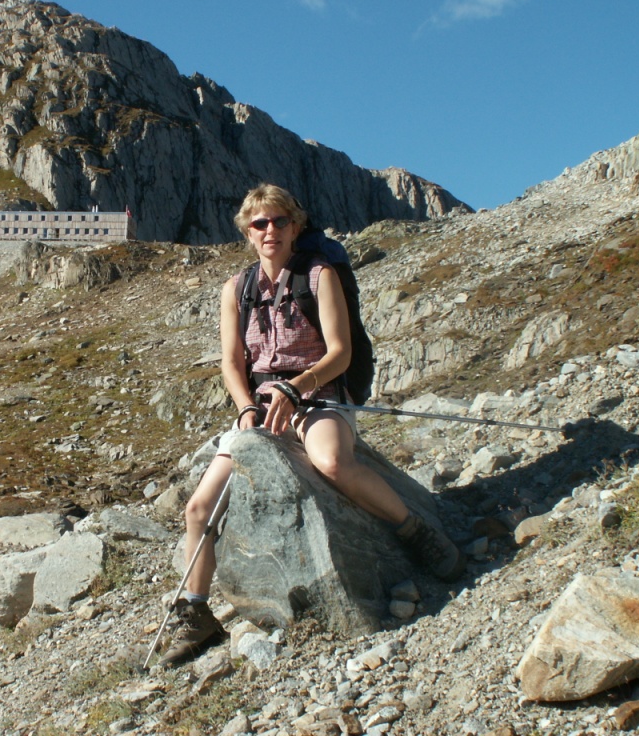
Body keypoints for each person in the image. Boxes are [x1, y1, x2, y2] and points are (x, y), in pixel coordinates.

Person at [158, 183, 465, 667]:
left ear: (296, 226)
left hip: (318, 396)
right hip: (262, 409)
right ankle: (196, 613)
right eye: (260, 223)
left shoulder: (320, 275)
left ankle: (415, 532)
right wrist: (245, 407)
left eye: (280, 220)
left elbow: (340, 352)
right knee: (198, 509)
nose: (270, 230)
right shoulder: (235, 289)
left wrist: (297, 387)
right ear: (247, 232)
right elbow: (232, 364)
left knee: (331, 462)